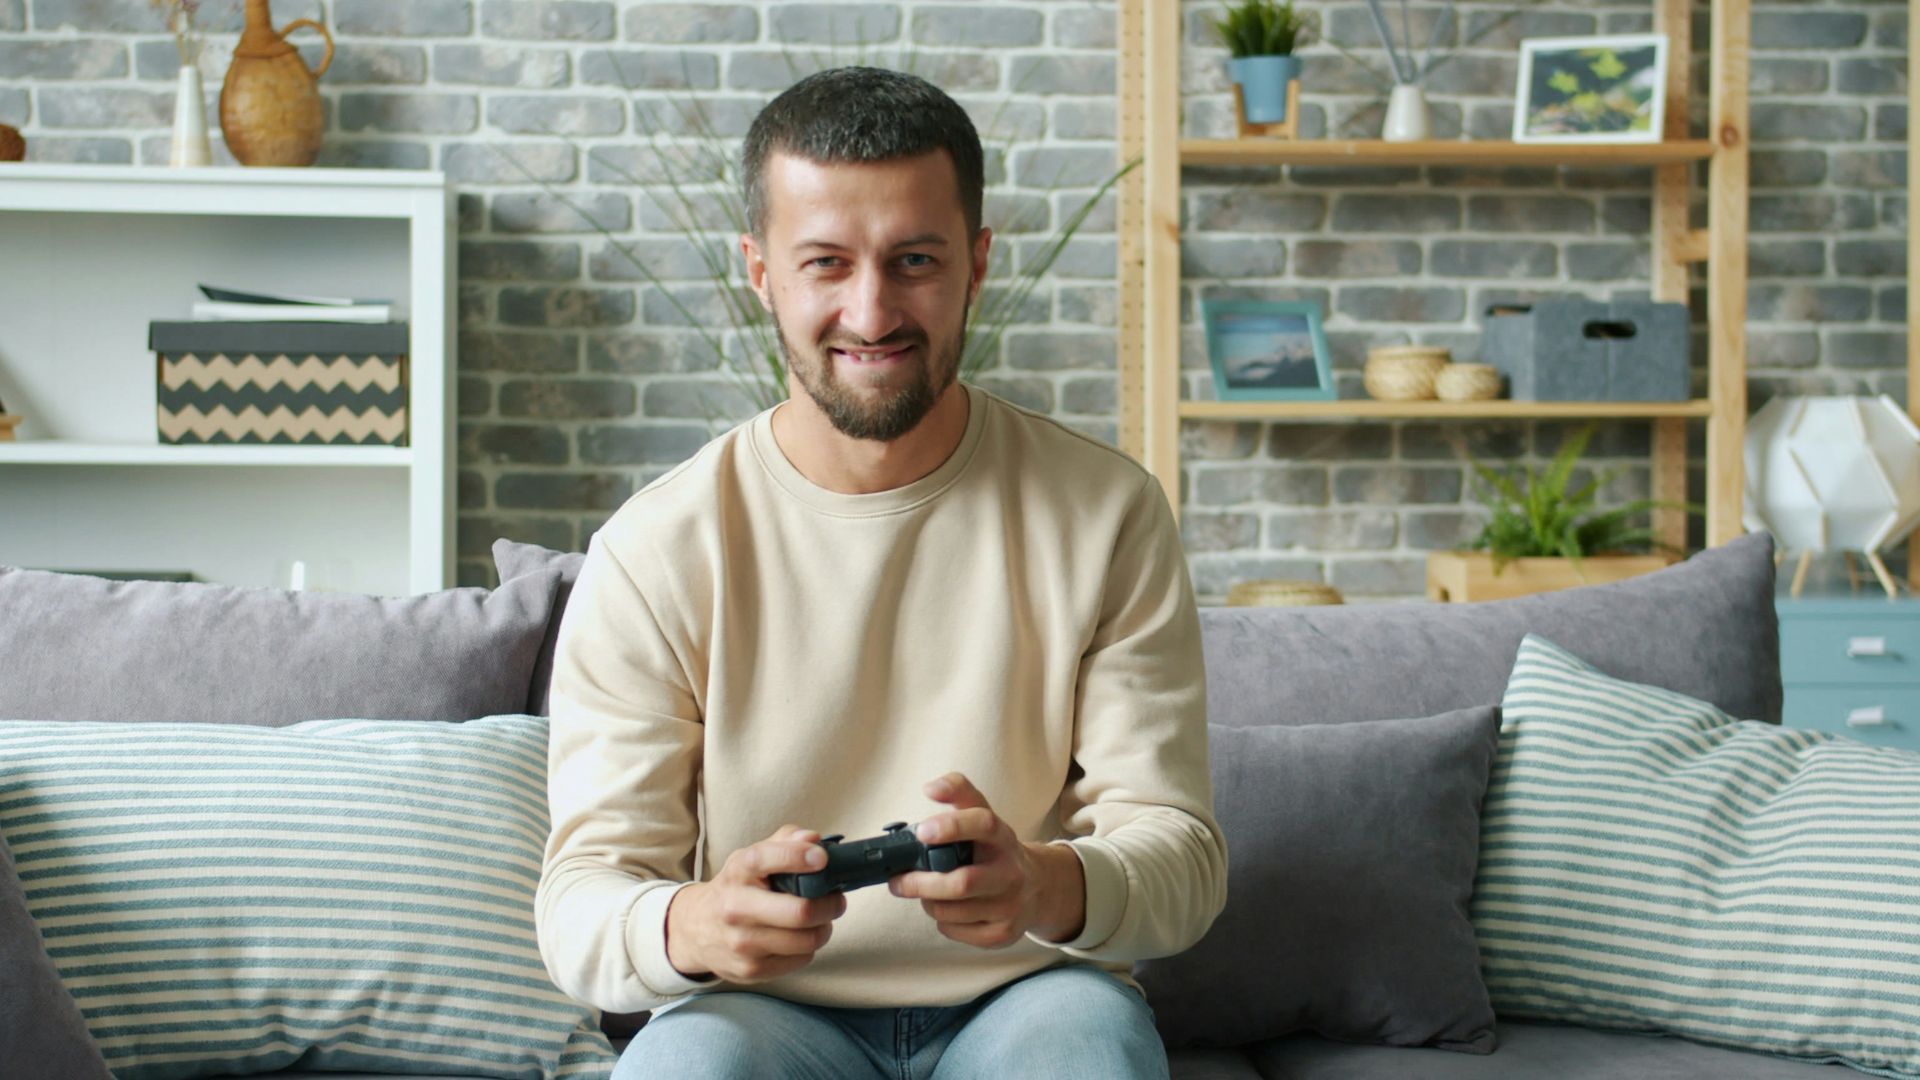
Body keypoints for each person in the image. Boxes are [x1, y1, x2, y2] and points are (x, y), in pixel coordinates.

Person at [535, 66, 1227, 1080]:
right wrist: (692, 923)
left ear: (976, 264)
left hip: (1030, 996)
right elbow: (581, 905)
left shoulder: (1108, 513)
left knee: (1090, 1052)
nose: (871, 312)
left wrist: (1046, 884)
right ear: (760, 272)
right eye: (825, 263)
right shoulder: (656, 549)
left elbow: (1183, 857)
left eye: (914, 260)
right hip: (760, 1015)